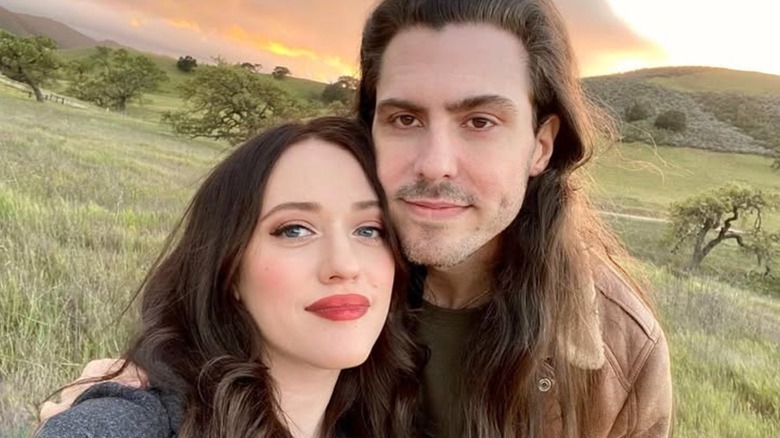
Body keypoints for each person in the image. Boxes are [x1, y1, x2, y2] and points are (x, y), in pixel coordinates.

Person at [42, 0, 673, 436]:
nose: (436, 163)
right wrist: (113, 401)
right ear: (368, 124)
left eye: (480, 121)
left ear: (540, 143)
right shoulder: (344, 274)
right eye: (404, 118)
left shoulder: (617, 351)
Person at [35, 117, 421, 438]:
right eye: (294, 230)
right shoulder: (130, 424)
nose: (345, 264)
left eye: (370, 230)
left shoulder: (389, 420)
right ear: (230, 267)